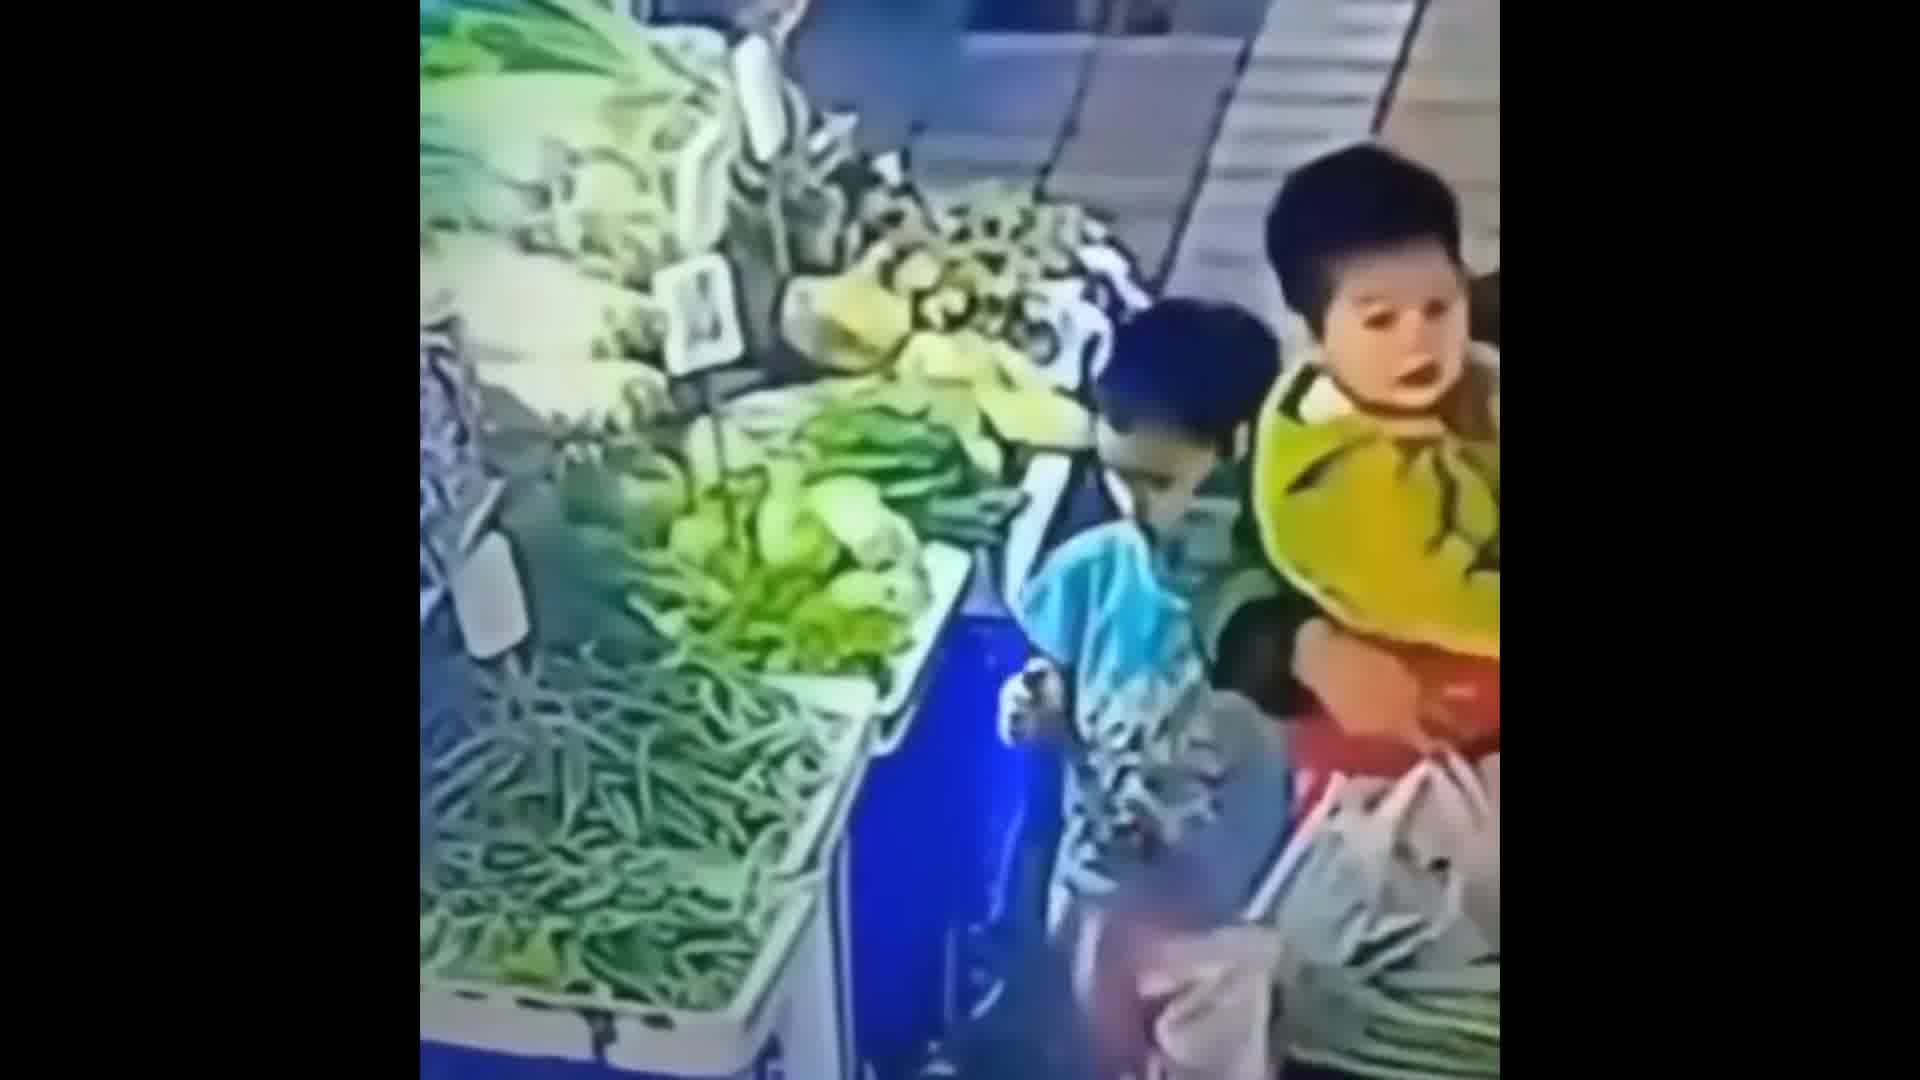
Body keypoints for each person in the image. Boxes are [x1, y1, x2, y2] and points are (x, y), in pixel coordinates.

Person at [1231, 141, 1501, 1079]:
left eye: (1439, 311)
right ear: (1315, 329)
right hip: (1413, 780)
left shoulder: (1430, 383)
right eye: (1380, 320)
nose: (1419, 341)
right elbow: (1456, 601)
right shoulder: (1342, 489)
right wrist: (1300, 643)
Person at [995, 297, 1294, 1080]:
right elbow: (1060, 682)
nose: (1137, 510)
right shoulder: (1092, 570)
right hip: (1093, 897)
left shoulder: (1283, 605)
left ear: (1241, 451)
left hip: (1225, 933)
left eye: (1161, 482)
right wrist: (1040, 705)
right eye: (1117, 480)